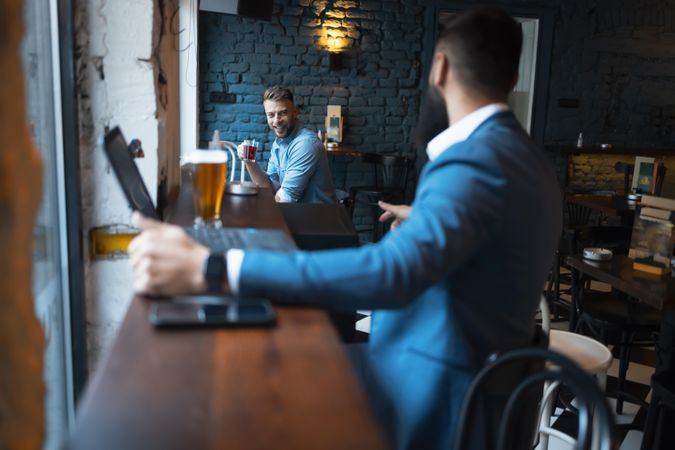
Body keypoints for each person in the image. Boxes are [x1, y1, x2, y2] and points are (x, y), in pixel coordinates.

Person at [128, 7, 562, 449]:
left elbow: (392, 273)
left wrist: (215, 267)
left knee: (255, 387)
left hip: (438, 396)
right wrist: (428, 219)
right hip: (488, 387)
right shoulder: (527, 158)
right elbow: (497, 235)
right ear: (512, 77)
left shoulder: (474, 160)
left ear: (441, 68)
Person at [239, 85, 337, 204]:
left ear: (295, 112)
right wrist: (249, 162)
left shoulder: (305, 144)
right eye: (271, 115)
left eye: (283, 113)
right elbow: (269, 188)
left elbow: (285, 199)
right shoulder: (279, 143)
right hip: (298, 216)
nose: (276, 121)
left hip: (318, 219)